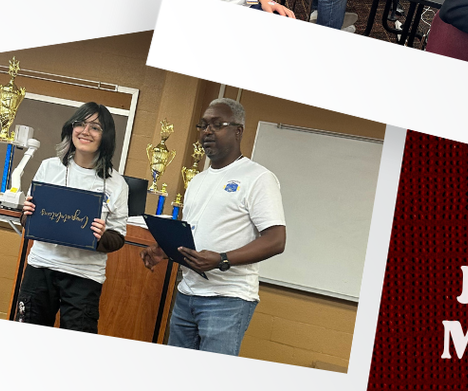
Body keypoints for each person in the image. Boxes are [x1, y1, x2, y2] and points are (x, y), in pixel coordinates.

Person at [141, 98, 286, 356]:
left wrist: (222, 259)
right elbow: (196, 233)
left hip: (227, 300)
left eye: (217, 125)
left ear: (238, 131)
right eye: (203, 125)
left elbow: (276, 240)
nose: (207, 131)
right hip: (186, 294)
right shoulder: (197, 181)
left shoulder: (258, 178)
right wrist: (165, 249)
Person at [16, 103, 128, 332]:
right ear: (71, 129)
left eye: (95, 127)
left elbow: (119, 237)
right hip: (41, 268)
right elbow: (28, 220)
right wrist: (28, 215)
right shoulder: (49, 168)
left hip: (84, 277)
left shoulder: (117, 184)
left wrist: (102, 237)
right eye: (80, 124)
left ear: (105, 136)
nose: (85, 131)